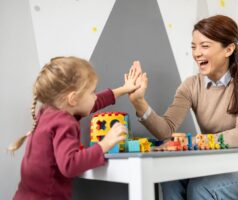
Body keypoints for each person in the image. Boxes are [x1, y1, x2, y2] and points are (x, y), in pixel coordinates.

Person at [128, 15, 238, 200]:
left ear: (228, 49)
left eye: (204, 46)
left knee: (200, 188)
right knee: (168, 178)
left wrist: (194, 142)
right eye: (193, 47)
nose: (197, 53)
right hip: (210, 166)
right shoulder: (191, 86)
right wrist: (139, 102)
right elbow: (165, 130)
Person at [8, 56, 140, 200]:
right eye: (92, 92)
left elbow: (91, 104)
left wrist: (124, 89)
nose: (95, 97)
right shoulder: (64, 122)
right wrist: (105, 144)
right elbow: (70, 165)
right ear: (73, 99)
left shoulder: (49, 112)